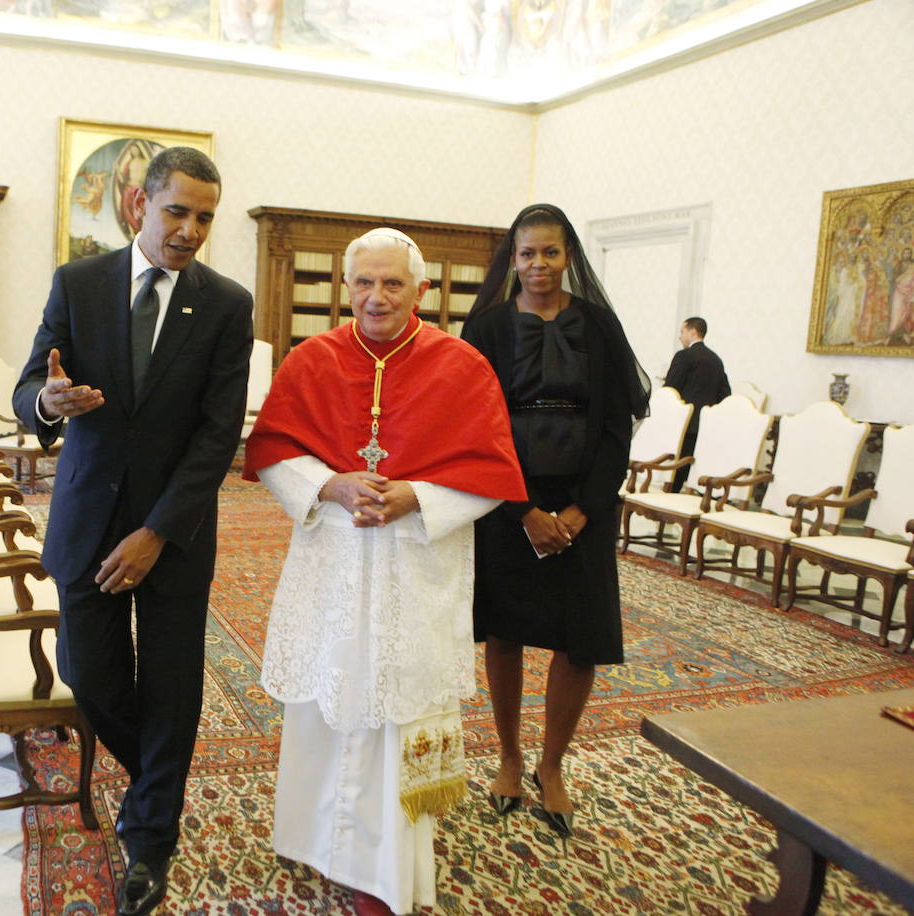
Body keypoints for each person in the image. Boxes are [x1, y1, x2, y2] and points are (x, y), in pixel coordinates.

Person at [244, 229, 526, 916]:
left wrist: (417, 496)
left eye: (392, 284)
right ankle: (316, 836)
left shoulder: (461, 365)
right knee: (329, 690)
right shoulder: (312, 359)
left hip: (414, 562)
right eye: (364, 283)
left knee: (399, 700)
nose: (376, 297)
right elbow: (274, 450)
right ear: (346, 287)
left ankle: (386, 863)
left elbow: (492, 473)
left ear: (421, 291)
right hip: (334, 559)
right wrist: (330, 485)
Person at [12, 147, 254, 916]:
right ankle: (159, 778)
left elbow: (219, 435)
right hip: (86, 518)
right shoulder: (78, 284)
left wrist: (156, 531)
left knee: (174, 686)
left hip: (173, 531)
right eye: (177, 210)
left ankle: (151, 836)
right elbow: (27, 388)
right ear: (140, 205)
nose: (190, 230)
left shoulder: (226, 304)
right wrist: (48, 404)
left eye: (205, 217)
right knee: (90, 672)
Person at [461, 204, 649, 838]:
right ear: (510, 260)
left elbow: (616, 427)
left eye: (549, 252)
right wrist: (523, 511)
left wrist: (581, 509)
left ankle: (552, 765)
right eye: (526, 254)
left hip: (583, 507)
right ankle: (510, 760)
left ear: (568, 255)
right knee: (506, 634)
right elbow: (472, 427)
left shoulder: (599, 325)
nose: (537, 265)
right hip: (508, 503)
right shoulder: (485, 327)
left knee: (579, 639)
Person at [664, 316, 730, 489]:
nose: (680, 336)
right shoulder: (716, 360)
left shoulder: (684, 356)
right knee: (694, 467)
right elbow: (725, 394)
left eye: (682, 331)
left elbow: (670, 390)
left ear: (693, 332)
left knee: (676, 468)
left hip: (684, 422)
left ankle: (670, 498)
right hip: (706, 425)